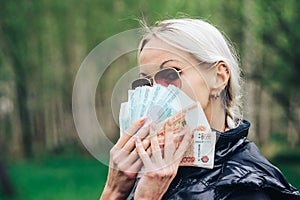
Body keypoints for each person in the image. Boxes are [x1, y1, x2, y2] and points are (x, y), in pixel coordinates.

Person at [100, 18, 300, 200]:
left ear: (219, 77)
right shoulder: (145, 169)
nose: (155, 93)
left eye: (170, 74)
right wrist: (113, 191)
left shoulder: (250, 188)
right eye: (146, 82)